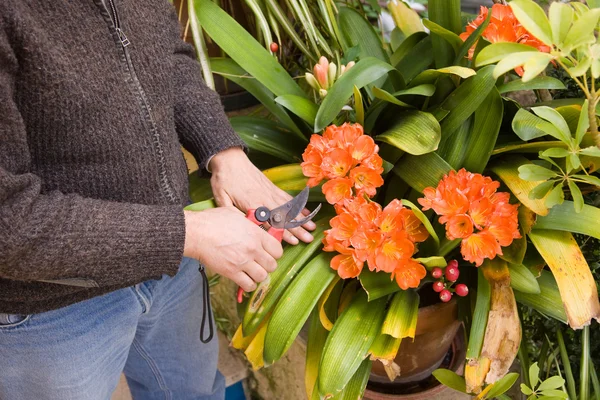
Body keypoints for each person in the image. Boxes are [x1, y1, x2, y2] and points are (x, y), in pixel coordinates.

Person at [0, 1, 315, 399]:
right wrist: (187, 234)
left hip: (171, 270)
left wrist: (223, 151)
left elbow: (168, 56)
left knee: (195, 393)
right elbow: (7, 222)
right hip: (51, 308)